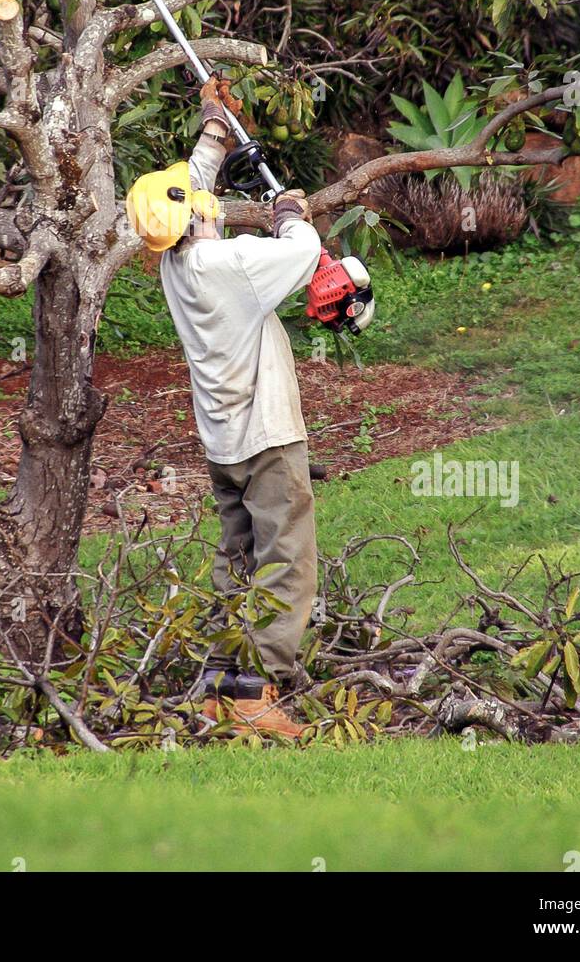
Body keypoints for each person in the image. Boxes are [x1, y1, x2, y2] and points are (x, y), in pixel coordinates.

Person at [126, 75, 374, 738]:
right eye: (199, 203)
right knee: (287, 560)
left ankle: (215, 684)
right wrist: (288, 211)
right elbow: (299, 252)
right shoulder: (228, 265)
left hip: (222, 443)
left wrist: (213, 130)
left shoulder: (177, 263)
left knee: (235, 560)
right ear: (194, 221)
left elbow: (187, 195)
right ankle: (255, 692)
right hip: (267, 438)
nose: (207, 204)